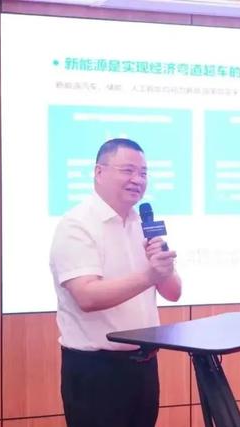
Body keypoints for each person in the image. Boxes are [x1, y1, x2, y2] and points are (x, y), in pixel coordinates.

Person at [50, 138, 182, 427]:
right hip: (97, 372)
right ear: (99, 172)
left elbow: (174, 292)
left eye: (143, 173)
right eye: (128, 170)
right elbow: (87, 297)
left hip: (144, 366)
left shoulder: (142, 224)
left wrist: (163, 268)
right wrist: (150, 275)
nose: (138, 179)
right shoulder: (77, 225)